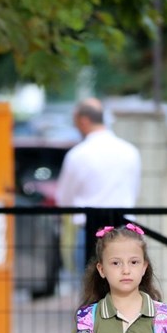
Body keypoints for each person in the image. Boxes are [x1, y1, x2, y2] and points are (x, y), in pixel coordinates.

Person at [55, 98, 141, 277]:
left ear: (84, 120)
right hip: (125, 230)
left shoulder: (77, 155)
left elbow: (63, 198)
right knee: (124, 287)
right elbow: (134, 190)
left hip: (89, 232)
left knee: (89, 292)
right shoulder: (130, 151)